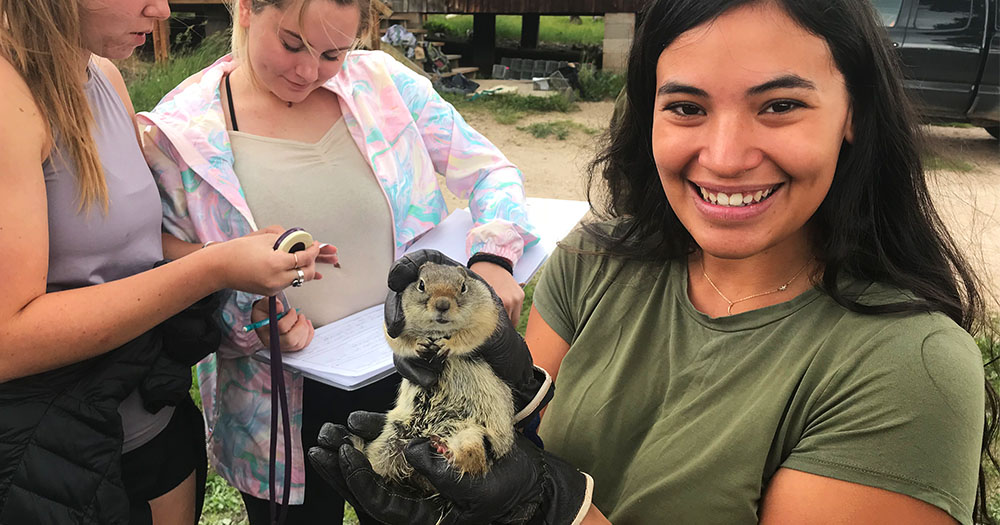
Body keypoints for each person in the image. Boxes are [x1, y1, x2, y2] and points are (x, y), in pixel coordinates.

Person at [309, 0, 998, 524]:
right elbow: (510, 437)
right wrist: (454, 472)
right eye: (687, 107)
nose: (725, 156)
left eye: (780, 105)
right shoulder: (600, 254)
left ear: (854, 111)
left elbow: (536, 484)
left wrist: (554, 507)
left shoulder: (908, 368)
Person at [139, 0, 538, 521]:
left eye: (333, 52)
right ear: (244, 9)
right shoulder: (179, 134)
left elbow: (490, 171)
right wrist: (253, 322)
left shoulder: (384, 86)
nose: (308, 72)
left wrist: (492, 260)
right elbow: (167, 270)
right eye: (290, 44)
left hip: (419, 379)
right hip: (276, 408)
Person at [0, 0, 330, 524]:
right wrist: (212, 269)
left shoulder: (102, 73)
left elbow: (132, 246)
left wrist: (232, 255)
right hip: (56, 457)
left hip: (152, 416)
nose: (163, 10)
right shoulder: (9, 96)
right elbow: (8, 340)